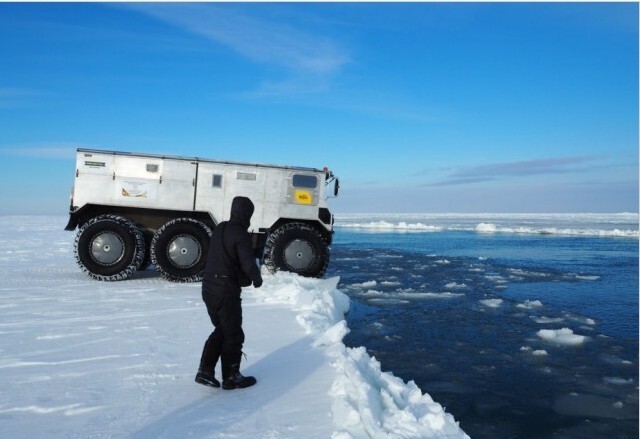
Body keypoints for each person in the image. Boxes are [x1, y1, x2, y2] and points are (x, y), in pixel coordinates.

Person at [196, 196, 263, 390]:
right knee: (233, 335)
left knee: (223, 330)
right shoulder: (240, 233)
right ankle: (231, 376)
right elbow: (247, 261)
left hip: (208, 289)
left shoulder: (219, 228)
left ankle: (206, 371)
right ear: (247, 214)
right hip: (226, 292)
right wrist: (256, 278)